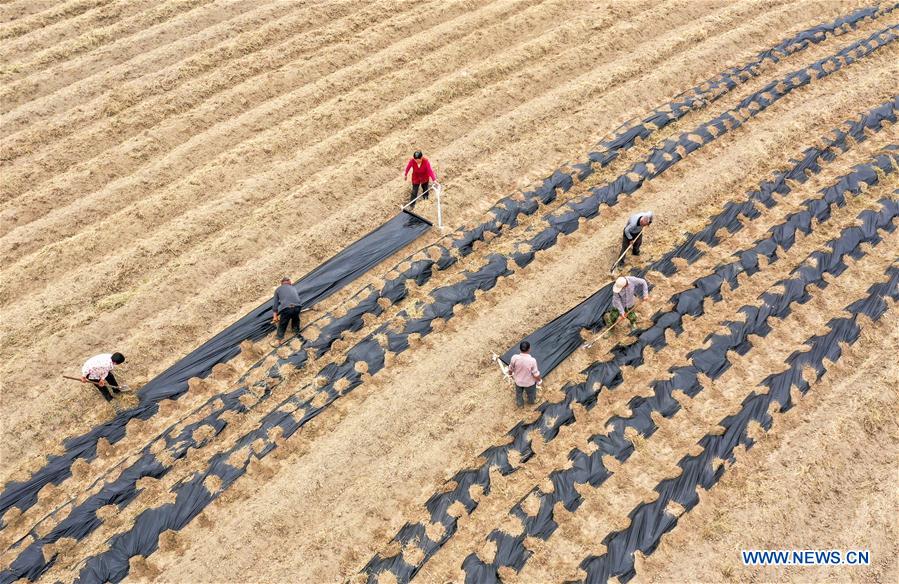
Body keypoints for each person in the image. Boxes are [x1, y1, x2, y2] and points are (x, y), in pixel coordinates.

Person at [508, 341, 542, 407]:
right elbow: (536, 374)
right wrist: (539, 380)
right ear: (529, 349)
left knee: (519, 394)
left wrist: (510, 375)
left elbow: (510, 368)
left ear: (519, 349)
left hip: (518, 382)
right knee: (531, 394)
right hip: (529, 383)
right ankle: (531, 401)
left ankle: (520, 404)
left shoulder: (514, 358)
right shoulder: (532, 360)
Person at [272, 277, 303, 343]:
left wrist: (275, 316)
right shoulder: (293, 288)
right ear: (288, 281)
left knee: (283, 323)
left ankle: (278, 340)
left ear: (282, 283)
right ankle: (296, 333)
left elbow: (275, 304)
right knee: (296, 318)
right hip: (298, 306)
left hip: (287, 308)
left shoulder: (278, 290)